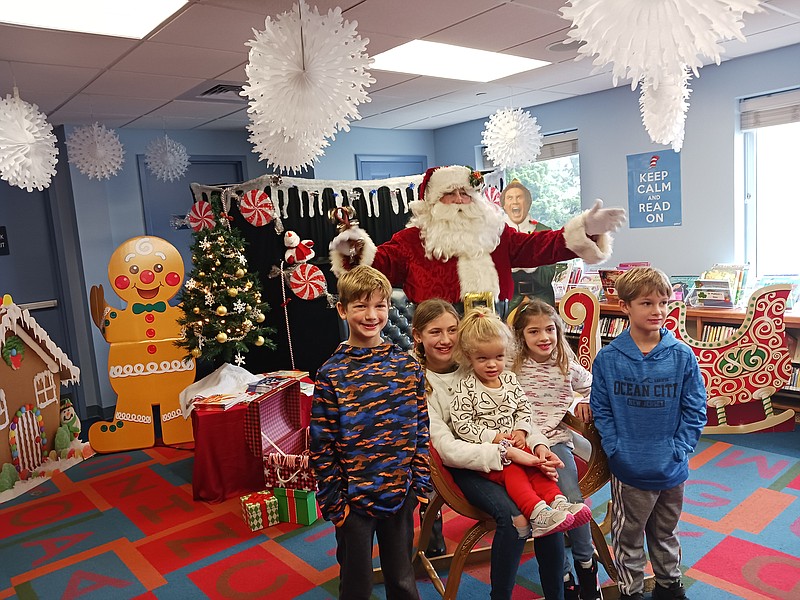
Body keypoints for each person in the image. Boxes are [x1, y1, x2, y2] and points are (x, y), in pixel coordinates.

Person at [411, 298, 568, 600]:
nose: (446, 340)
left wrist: (537, 444)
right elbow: (446, 448)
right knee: (514, 519)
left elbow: (520, 412)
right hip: (466, 468)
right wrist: (505, 452)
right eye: (435, 332)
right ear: (419, 336)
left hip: (510, 457)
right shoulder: (422, 383)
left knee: (547, 513)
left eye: (452, 330)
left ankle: (556, 593)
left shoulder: (480, 361)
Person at [329, 165, 625, 313]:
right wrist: (354, 247)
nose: (459, 200)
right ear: (432, 201)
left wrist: (586, 229)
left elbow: (539, 247)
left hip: (497, 328)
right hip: (440, 336)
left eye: (465, 193)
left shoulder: (496, 233)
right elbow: (376, 267)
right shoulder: (411, 240)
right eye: (450, 193)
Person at [310, 265, 432, 600]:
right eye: (361, 306)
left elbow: (421, 430)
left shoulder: (407, 368)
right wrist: (336, 504)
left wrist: (419, 485)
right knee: (356, 584)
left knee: (403, 580)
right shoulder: (331, 373)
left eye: (379, 306)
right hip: (353, 501)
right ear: (342, 309)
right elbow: (321, 443)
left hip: (400, 493)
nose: (371, 315)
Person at [590, 267, 707, 600]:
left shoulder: (682, 356)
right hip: (630, 466)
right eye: (646, 303)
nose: (657, 311)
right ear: (625, 306)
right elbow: (602, 409)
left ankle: (670, 586)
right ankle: (631, 591)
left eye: (663, 302)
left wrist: (680, 448)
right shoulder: (609, 359)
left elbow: (696, 408)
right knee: (628, 534)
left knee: (666, 531)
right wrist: (616, 448)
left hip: (671, 466)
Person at [449, 307, 592, 537]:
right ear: (469, 358)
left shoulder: (509, 379)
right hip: (493, 452)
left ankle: (557, 503)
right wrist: (493, 437)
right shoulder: (465, 387)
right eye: (483, 358)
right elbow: (462, 424)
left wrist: (522, 429)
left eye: (498, 357)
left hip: (520, 443)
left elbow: (524, 408)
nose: (492, 364)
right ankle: (536, 511)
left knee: (539, 468)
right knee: (515, 471)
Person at [511, 299, 601, 600]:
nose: (544, 337)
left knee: (573, 502)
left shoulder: (565, 364)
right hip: (523, 447)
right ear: (521, 336)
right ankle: (563, 575)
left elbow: (593, 386)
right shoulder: (513, 365)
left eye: (550, 329)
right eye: (534, 332)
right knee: (545, 511)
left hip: (557, 442)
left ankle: (587, 565)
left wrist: (580, 401)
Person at [501, 180, 557, 308]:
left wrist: (528, 263)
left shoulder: (544, 232)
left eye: (519, 197)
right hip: (508, 301)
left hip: (541, 299)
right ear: (504, 205)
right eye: (510, 198)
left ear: (527, 203)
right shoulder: (495, 234)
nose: (515, 202)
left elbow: (546, 277)